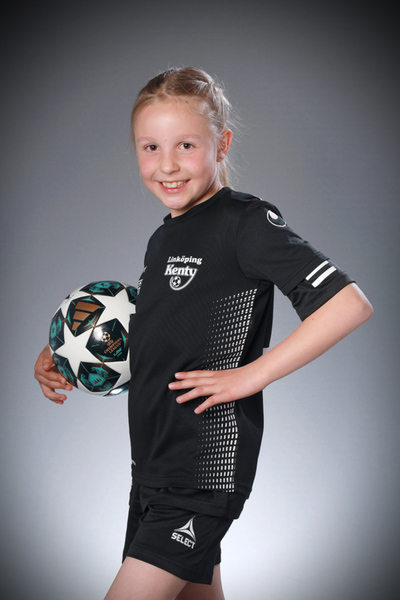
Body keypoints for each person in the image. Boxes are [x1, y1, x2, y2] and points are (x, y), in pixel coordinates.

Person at [34, 67, 373, 600]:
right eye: (150, 147)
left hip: (201, 471)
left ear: (222, 144)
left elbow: (348, 304)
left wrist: (251, 376)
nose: (166, 165)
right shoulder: (163, 238)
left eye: (186, 145)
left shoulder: (245, 222)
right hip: (153, 466)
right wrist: (65, 350)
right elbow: (156, 323)